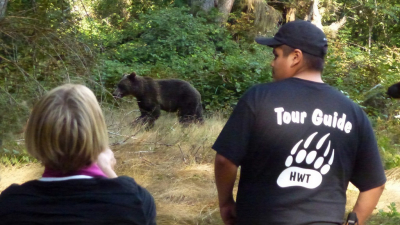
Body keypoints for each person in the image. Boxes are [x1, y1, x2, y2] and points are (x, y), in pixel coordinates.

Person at [213, 20, 386, 225]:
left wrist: (225, 202)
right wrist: (352, 223)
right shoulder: (353, 113)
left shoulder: (259, 98)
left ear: (295, 57)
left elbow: (225, 161)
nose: (272, 63)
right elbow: (375, 185)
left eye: (276, 55)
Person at [0, 84, 156, 225]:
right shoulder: (136, 201)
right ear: (98, 134)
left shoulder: (11, 205)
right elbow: (128, 203)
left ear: (35, 135)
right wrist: (107, 170)